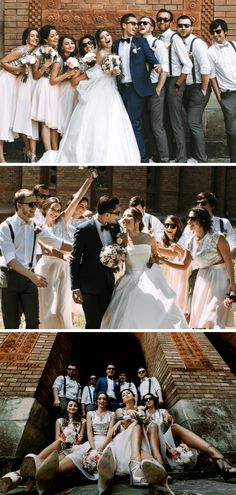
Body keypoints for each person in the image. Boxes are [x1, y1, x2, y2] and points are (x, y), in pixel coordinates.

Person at [38, 29, 140, 164]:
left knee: (112, 122)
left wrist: (116, 72)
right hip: (101, 91)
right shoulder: (101, 53)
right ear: (100, 42)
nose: (106, 38)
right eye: (102, 37)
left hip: (111, 91)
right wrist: (107, 71)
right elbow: (96, 73)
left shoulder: (114, 52)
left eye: (107, 35)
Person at [101, 207, 188, 329]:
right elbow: (118, 260)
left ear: (138, 220)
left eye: (129, 216)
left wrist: (153, 260)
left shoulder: (149, 238)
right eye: (124, 216)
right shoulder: (120, 238)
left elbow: (154, 256)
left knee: (156, 308)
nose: (125, 218)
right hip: (129, 279)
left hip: (149, 277)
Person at [0, 188, 72, 329]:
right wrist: (33, 277)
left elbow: (57, 242)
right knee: (12, 324)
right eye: (31, 204)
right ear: (19, 206)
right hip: (10, 278)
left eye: (36, 204)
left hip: (30, 280)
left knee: (33, 322)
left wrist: (85, 246)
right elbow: (11, 260)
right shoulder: (5, 227)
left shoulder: (35, 225)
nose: (35, 208)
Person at [158, 206, 236, 329]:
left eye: (192, 218)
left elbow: (228, 261)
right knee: (200, 319)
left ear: (202, 220)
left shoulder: (218, 237)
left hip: (219, 277)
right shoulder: (190, 241)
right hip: (202, 279)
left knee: (213, 316)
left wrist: (232, 283)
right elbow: (184, 265)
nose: (188, 221)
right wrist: (162, 260)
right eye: (188, 218)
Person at [35, 174, 94, 329]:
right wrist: (76, 250)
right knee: (47, 306)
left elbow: (76, 200)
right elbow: (48, 249)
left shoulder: (62, 220)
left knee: (62, 305)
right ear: (45, 209)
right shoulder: (38, 227)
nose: (56, 213)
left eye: (59, 210)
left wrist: (88, 180)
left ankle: (64, 329)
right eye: (53, 210)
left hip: (63, 267)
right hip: (46, 268)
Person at [142, 393, 236, 480]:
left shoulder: (162, 411)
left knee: (175, 426)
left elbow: (168, 418)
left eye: (150, 398)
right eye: (145, 400)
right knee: (153, 427)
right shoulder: (143, 413)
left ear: (154, 400)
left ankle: (216, 456)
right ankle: (160, 465)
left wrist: (168, 418)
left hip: (167, 440)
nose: (148, 401)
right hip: (153, 443)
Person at [0, 399, 86, 494]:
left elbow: (80, 437)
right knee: (58, 443)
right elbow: (57, 436)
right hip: (61, 444)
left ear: (78, 408)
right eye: (70, 405)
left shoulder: (82, 421)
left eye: (75, 406)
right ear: (66, 408)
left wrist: (72, 443)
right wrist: (64, 442)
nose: (72, 407)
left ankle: (18, 474)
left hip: (73, 447)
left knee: (52, 459)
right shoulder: (59, 421)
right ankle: (28, 470)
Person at [97, 389, 171, 495]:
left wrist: (138, 413)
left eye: (128, 393)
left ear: (134, 397)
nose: (126, 395)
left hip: (141, 440)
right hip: (124, 440)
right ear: (122, 399)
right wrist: (121, 422)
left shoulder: (141, 408)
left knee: (148, 425)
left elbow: (146, 421)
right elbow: (125, 423)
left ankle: (153, 466)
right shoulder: (119, 410)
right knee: (136, 425)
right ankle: (139, 465)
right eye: (123, 394)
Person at [112, 13, 160, 162]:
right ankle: (125, 154)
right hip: (120, 89)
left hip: (136, 89)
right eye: (132, 23)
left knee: (133, 122)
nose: (136, 26)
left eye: (137, 23)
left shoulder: (141, 42)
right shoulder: (115, 44)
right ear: (124, 26)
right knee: (121, 123)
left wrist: (157, 66)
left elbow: (153, 60)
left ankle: (141, 157)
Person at [70, 195, 121, 329]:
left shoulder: (115, 227)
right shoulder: (83, 229)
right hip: (89, 286)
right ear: (107, 214)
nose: (118, 217)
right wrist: (75, 287)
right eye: (117, 213)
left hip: (108, 283)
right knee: (93, 324)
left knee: (106, 323)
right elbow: (74, 260)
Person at [156, 9, 193, 162]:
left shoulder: (175, 38)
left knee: (176, 120)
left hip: (175, 80)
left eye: (165, 20)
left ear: (170, 22)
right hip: (164, 81)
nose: (162, 22)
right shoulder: (158, 38)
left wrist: (178, 84)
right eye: (159, 19)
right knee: (167, 119)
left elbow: (188, 64)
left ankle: (182, 157)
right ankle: (170, 154)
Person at [0, 27, 39, 163]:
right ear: (26, 38)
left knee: (15, 115)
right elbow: (2, 62)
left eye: (37, 36)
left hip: (17, 85)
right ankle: (1, 157)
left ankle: (28, 150)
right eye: (32, 35)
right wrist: (19, 69)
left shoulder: (32, 54)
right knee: (3, 116)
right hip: (6, 82)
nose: (35, 38)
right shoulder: (20, 50)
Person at [176, 15, 211, 163]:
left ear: (192, 27)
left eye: (186, 25)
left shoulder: (197, 43)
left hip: (198, 87)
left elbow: (205, 68)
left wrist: (203, 89)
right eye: (180, 26)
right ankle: (196, 155)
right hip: (187, 88)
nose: (183, 28)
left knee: (192, 122)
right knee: (192, 122)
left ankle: (202, 158)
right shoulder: (178, 42)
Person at [138, 16, 169, 163]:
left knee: (157, 125)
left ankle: (164, 157)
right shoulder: (137, 44)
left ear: (152, 27)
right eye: (139, 23)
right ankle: (154, 154)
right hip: (141, 88)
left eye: (145, 23)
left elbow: (164, 68)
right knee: (146, 123)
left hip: (154, 85)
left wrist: (159, 88)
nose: (141, 25)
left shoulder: (159, 43)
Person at [208, 19, 236, 162]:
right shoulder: (210, 52)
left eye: (218, 31)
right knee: (232, 132)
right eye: (213, 32)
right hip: (228, 95)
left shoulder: (234, 46)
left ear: (225, 31)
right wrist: (220, 99)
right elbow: (212, 77)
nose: (215, 34)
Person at [178, 192, 236, 259]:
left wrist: (221, 263)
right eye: (197, 203)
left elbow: (234, 247)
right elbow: (181, 246)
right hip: (197, 267)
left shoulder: (223, 223)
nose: (199, 205)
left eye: (203, 203)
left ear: (212, 206)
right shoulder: (191, 225)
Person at [31, 24, 60, 152]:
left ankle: (56, 151)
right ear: (45, 39)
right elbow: (35, 75)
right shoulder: (38, 52)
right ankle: (49, 152)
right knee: (46, 121)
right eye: (52, 36)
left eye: (56, 34)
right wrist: (46, 65)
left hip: (54, 87)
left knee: (54, 121)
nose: (56, 37)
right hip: (43, 85)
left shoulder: (56, 50)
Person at [159, 215, 190, 315]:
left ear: (178, 227)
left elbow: (174, 253)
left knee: (181, 304)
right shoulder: (162, 240)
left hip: (183, 274)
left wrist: (154, 248)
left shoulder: (183, 239)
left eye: (173, 226)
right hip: (170, 275)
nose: (169, 228)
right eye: (166, 225)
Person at [50, 34, 79, 136]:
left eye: (72, 43)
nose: (70, 45)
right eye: (66, 44)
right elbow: (52, 80)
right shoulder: (58, 60)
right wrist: (67, 74)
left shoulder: (73, 58)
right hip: (60, 90)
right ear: (61, 47)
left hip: (71, 89)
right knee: (58, 119)